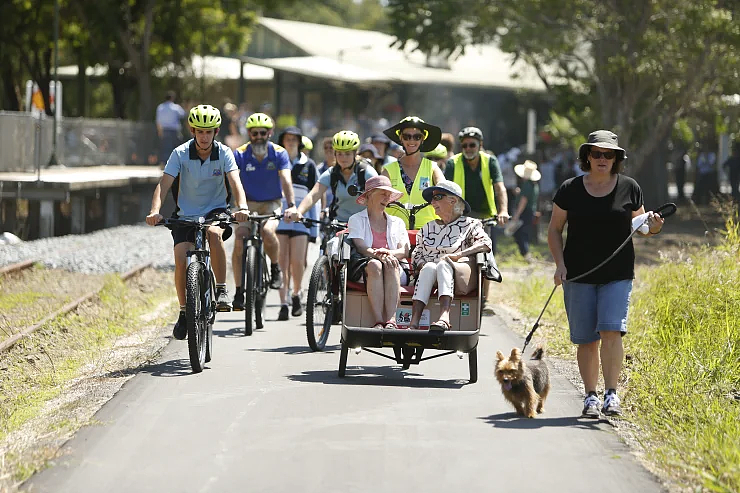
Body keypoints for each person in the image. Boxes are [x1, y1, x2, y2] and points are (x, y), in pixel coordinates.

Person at [548, 130, 664, 418]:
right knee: (587, 339)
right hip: (577, 274)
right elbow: (553, 230)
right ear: (587, 156)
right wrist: (559, 264)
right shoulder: (569, 189)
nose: (602, 159)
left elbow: (644, 227)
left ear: (616, 158)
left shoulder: (630, 187)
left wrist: (656, 224)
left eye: (608, 154)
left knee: (611, 331)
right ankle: (591, 396)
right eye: (596, 153)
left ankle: (612, 394)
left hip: (617, 274)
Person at [145, 104, 250, 339]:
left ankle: (221, 290)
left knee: (214, 235)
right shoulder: (180, 153)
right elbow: (163, 185)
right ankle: (184, 312)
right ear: (192, 130)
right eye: (200, 131)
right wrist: (155, 211)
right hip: (185, 215)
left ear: (216, 131)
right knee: (181, 259)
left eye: (209, 131)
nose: (204, 136)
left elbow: (236, 183)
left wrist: (242, 207)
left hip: (216, 211)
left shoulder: (223, 153)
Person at [232, 112, 297, 311]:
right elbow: (231, 181)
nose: (258, 136)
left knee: (268, 232)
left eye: (263, 132)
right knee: (240, 238)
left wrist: (292, 204)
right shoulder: (240, 154)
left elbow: (286, 180)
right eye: (254, 133)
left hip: (271, 203)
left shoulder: (279, 153)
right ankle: (238, 290)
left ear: (270, 133)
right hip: (247, 204)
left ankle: (275, 267)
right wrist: (232, 205)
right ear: (249, 134)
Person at [408, 180, 492, 330]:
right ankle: (414, 322)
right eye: (431, 199)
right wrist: (421, 264)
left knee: (443, 264)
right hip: (430, 274)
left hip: (458, 275)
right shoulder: (428, 228)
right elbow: (417, 253)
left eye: (437, 197)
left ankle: (444, 317)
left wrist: (459, 255)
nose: (432, 202)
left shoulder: (470, 224)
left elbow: (486, 244)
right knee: (429, 267)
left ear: (453, 200)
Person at [445, 126, 509, 315]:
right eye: (464, 145)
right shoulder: (453, 163)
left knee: (486, 256)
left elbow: (500, 187)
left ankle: (484, 299)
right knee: (457, 254)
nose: (468, 148)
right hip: (460, 216)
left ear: (480, 145)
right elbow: (445, 191)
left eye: (472, 144)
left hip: (485, 216)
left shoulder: (490, 161)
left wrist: (503, 210)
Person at [347, 176, 410, 329]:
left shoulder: (398, 222)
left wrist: (389, 254)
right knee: (376, 265)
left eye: (389, 195)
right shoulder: (356, 219)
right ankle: (378, 320)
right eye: (382, 193)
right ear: (369, 195)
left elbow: (404, 250)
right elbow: (361, 247)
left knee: (390, 263)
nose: (387, 198)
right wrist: (377, 255)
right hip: (366, 267)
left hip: (395, 267)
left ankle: (391, 320)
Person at [275, 126, 320, 320]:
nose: (291, 142)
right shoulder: (276, 161)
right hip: (279, 219)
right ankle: (283, 303)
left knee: (297, 262)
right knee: (281, 262)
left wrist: (314, 228)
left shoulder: (309, 165)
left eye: (294, 139)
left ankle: (296, 293)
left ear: (299, 142)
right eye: (288, 139)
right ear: (282, 141)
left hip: (301, 220)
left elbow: (314, 196)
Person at [285, 131, 378, 224]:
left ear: (355, 154)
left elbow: (381, 194)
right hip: (338, 225)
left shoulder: (366, 172)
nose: (343, 158)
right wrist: (299, 211)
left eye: (347, 154)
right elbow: (313, 195)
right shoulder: (332, 173)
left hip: (364, 224)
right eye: (339, 154)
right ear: (335, 154)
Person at [381, 116, 446, 229]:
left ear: (423, 139)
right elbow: (376, 195)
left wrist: (441, 194)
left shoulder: (432, 167)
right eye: (407, 136)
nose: (412, 140)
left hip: (428, 233)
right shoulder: (388, 170)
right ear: (401, 138)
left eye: (417, 137)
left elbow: (444, 187)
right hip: (394, 232)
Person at [510, 160, 541, 259]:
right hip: (529, 212)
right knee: (522, 232)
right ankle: (524, 253)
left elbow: (524, 201)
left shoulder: (527, 184)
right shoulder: (533, 184)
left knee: (521, 233)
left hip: (525, 212)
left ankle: (526, 254)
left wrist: (517, 215)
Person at [155, 91, 185, 165]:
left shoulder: (160, 107)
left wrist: (159, 131)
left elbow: (158, 120)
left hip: (164, 130)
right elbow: (183, 114)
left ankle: (164, 163)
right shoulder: (175, 107)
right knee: (176, 147)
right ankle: (176, 163)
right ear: (172, 98)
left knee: (165, 147)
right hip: (174, 130)